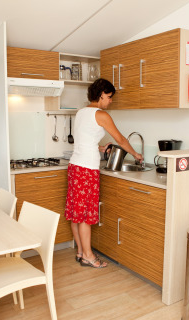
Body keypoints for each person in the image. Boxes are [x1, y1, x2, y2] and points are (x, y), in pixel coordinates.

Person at [65, 78, 144, 268]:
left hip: (75, 166)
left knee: (77, 213)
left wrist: (99, 148)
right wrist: (136, 154)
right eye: (109, 97)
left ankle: (80, 252)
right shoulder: (101, 115)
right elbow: (121, 139)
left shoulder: (81, 112)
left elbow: (84, 139)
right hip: (87, 169)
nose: (110, 101)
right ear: (101, 95)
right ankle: (89, 257)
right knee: (84, 215)